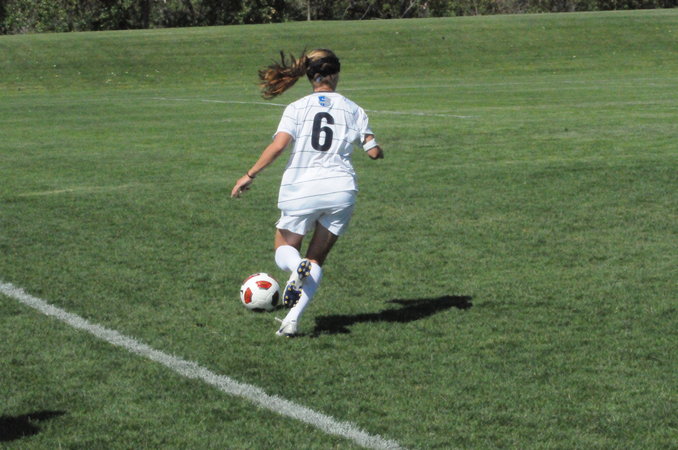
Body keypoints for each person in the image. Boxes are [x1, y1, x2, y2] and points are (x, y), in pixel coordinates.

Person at [231, 48, 384, 337]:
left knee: (283, 251)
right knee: (316, 261)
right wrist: (377, 150)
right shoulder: (354, 109)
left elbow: (278, 146)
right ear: (335, 74)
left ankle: (296, 265)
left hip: (301, 188)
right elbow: (372, 151)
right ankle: (292, 320)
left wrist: (249, 175)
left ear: (310, 76)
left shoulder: (297, 108)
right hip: (340, 190)